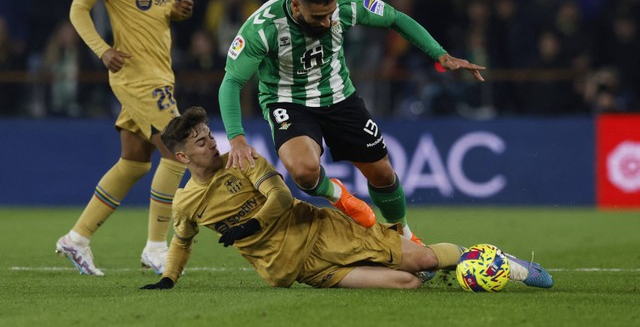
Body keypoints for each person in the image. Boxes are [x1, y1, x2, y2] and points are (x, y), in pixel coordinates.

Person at [140, 106, 554, 290]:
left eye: (208, 137)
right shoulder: (186, 203)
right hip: (300, 270)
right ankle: (422, 260)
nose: (211, 145)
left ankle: (502, 263)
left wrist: (252, 224)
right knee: (408, 284)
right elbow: (182, 238)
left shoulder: (241, 158)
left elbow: (281, 197)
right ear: (181, 157)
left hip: (322, 232)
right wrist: (168, 279)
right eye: (200, 143)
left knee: (424, 259)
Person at [218, 0, 485, 244]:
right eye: (319, 17)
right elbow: (232, 82)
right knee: (304, 172)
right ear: (297, 6)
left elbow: (396, 18)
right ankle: (339, 196)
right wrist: (236, 137)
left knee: (382, 174)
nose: (326, 22)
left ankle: (402, 234)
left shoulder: (346, 5)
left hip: (339, 97)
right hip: (287, 100)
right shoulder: (263, 27)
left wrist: (440, 55)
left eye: (330, 14)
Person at [55, 0, 194, 276]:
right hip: (133, 72)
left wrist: (177, 11)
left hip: (161, 68)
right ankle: (155, 247)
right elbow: (78, 10)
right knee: (178, 151)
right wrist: (103, 50)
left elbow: (156, 5)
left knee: (134, 162)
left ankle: (77, 238)